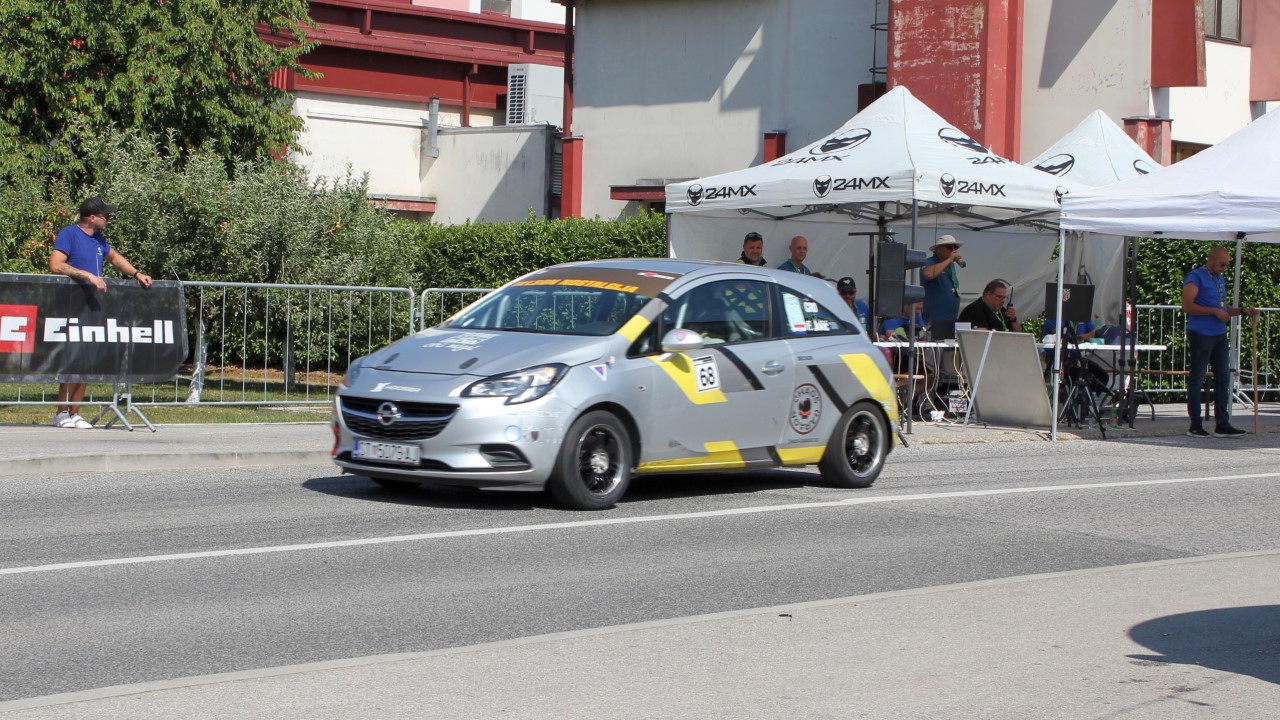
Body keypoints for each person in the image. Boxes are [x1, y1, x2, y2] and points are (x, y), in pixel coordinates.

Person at [48, 196, 152, 429]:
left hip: (92, 307)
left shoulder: (99, 239)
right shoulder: (69, 234)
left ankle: (75, 412)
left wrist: (137, 274)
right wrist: (89, 276)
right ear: (92, 217)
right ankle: (61, 412)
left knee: (86, 360)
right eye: (105, 215)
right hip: (71, 305)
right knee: (71, 359)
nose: (108, 219)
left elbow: (114, 258)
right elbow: (55, 264)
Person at [1182, 246, 1257, 438]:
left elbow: (1222, 307)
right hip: (1201, 333)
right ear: (1211, 260)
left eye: (1227, 265)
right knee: (1197, 378)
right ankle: (1195, 425)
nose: (1225, 268)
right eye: (1222, 264)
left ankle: (1222, 424)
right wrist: (1214, 312)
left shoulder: (1219, 278)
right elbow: (1187, 305)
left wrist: (1241, 311)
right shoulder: (1196, 276)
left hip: (1219, 334)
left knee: (1223, 378)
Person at [921, 235, 963, 329]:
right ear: (938, 249)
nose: (953, 250)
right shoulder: (929, 262)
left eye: (955, 247)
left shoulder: (949, 265)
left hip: (950, 317)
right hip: (935, 318)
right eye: (949, 247)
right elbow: (928, 274)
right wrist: (949, 259)